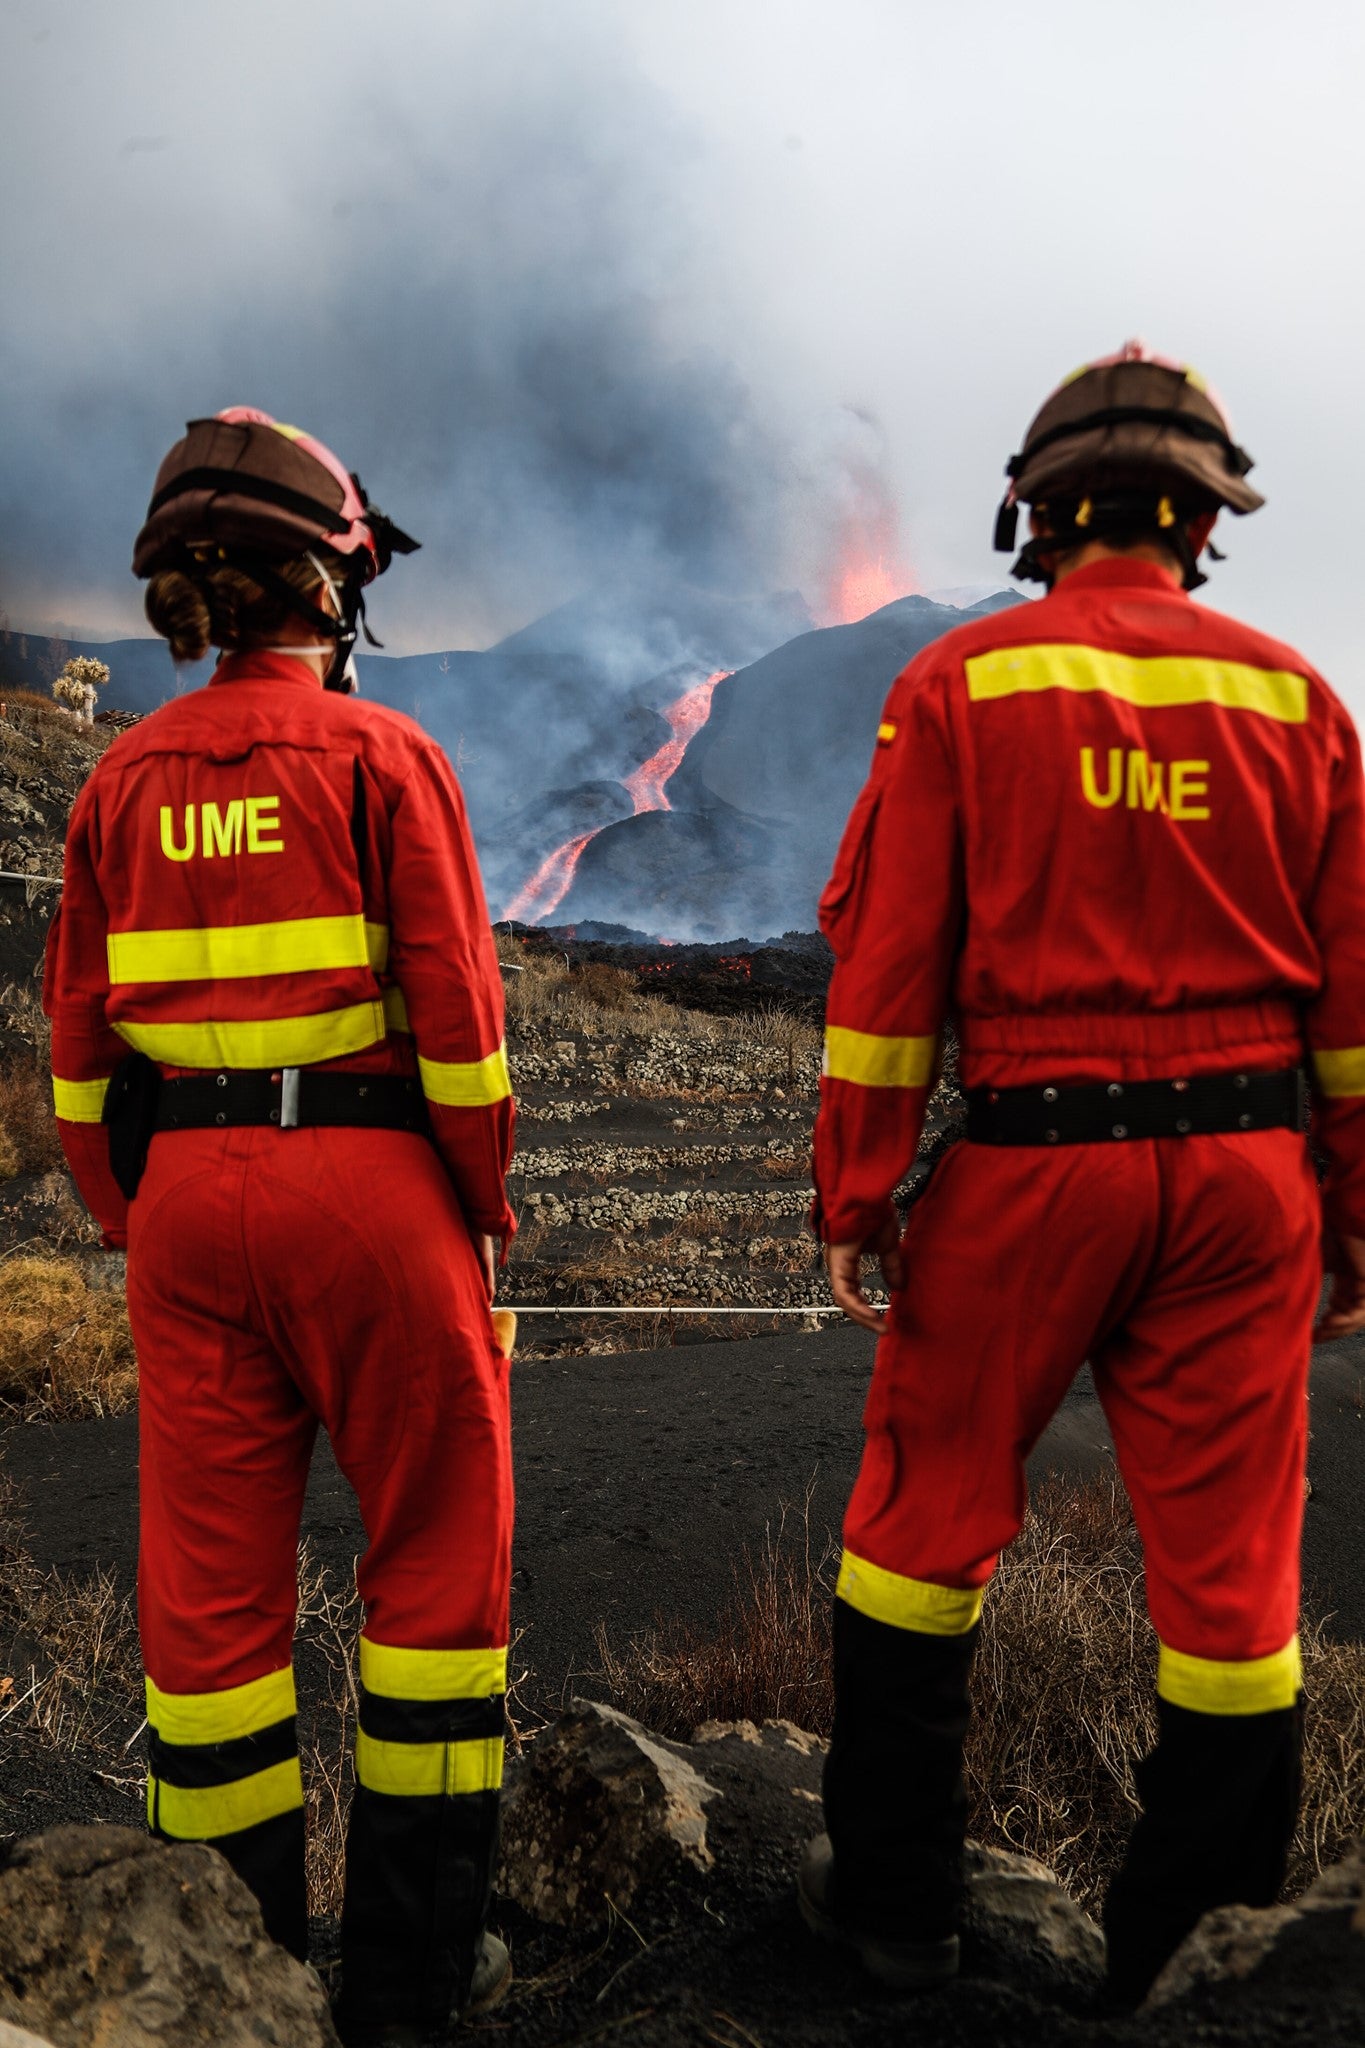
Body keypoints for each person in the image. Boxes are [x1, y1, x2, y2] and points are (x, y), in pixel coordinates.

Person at [800, 342, 1365, 2005]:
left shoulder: (961, 687)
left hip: (1031, 1171)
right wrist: (1352, 1217)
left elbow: (887, 975)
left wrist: (857, 1192)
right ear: (1204, 521)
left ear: (1034, 518)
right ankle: (1192, 1969)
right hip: (1247, 1183)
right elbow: (1350, 1009)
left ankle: (892, 1921)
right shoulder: (1297, 702)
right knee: (1234, 1589)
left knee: (917, 1528)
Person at [44, 408, 518, 2045]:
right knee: (437, 1572)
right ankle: (407, 1992)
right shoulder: (384, 761)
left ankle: (232, 1975)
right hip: (375, 1192)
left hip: (182, 1210)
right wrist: (478, 1208)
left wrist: (136, 1211)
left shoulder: (119, 777)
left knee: (208, 1611)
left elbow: (75, 1059)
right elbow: (463, 1035)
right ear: (331, 586)